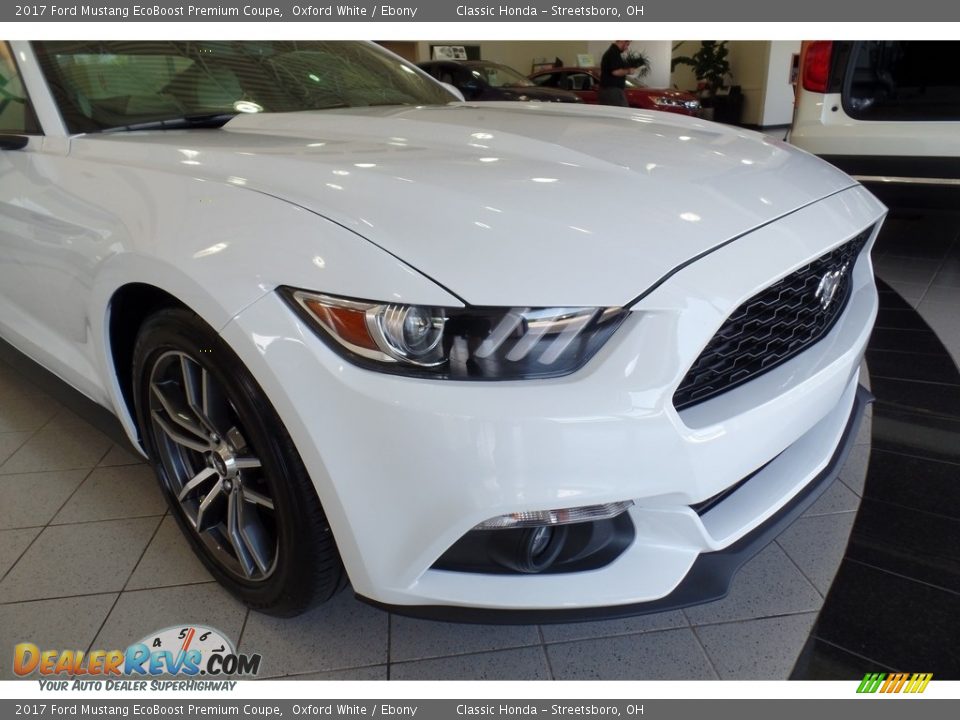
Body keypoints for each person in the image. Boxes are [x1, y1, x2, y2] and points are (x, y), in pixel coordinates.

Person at [599, 40, 638, 107]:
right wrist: (629, 71)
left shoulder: (612, 52)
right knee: (622, 111)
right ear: (622, 41)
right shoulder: (613, 53)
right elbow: (615, 72)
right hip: (613, 91)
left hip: (609, 90)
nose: (627, 48)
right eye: (627, 44)